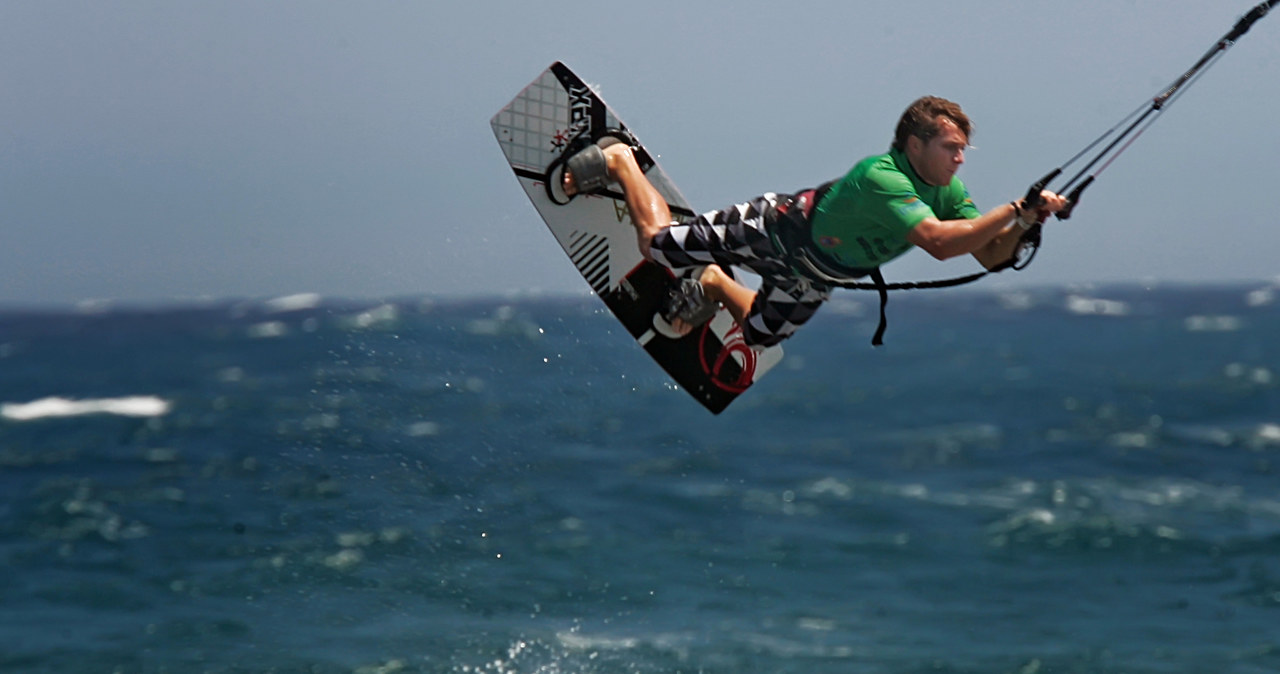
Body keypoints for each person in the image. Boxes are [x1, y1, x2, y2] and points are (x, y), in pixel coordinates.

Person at [562, 96, 1067, 348]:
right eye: (950, 148)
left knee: (759, 335)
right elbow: (938, 243)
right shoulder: (883, 176)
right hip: (775, 228)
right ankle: (621, 163)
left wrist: (1025, 226)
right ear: (915, 145)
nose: (960, 159)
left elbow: (987, 254)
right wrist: (1015, 211)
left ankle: (714, 282)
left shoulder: (949, 192)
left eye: (963, 150)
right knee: (654, 245)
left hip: (814, 275)